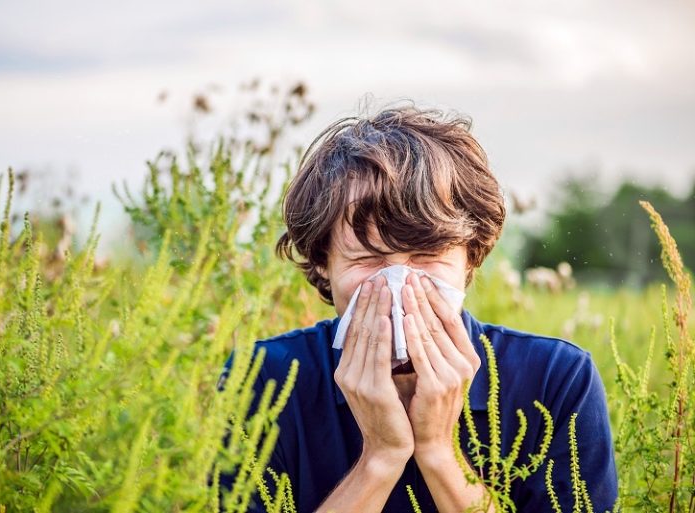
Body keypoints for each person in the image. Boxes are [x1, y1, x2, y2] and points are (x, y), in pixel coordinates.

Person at [218, 104, 618, 512]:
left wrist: (439, 452)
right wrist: (380, 458)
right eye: (367, 259)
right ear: (324, 263)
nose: (399, 286)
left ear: (471, 257)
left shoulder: (556, 380)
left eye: (427, 255)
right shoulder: (262, 380)